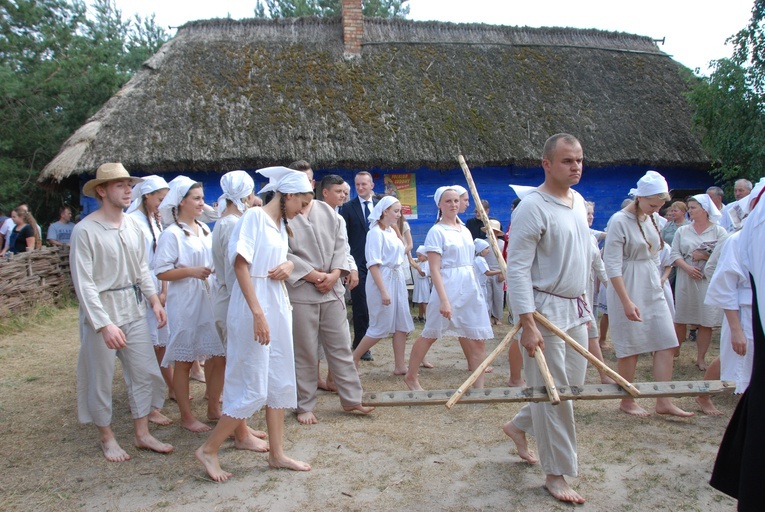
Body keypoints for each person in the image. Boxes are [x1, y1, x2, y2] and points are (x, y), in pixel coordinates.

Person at [196, 166, 313, 482]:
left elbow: (278, 259)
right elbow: (240, 265)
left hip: (276, 302)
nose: (303, 211)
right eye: (301, 204)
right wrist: (257, 314)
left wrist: (288, 264)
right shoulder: (254, 217)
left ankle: (277, 454)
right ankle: (209, 449)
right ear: (287, 195)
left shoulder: (277, 223)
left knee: (278, 379)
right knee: (252, 384)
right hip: (253, 306)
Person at [501, 133, 590, 504]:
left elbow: (587, 249)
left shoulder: (578, 200)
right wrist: (528, 323)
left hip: (575, 308)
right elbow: (517, 270)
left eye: (580, 160)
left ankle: (517, 425)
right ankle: (555, 474)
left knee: (572, 386)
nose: (575, 167)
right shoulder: (531, 207)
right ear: (547, 164)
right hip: (544, 311)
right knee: (556, 397)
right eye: (567, 161)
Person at [69, 162, 172, 462]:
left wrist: (153, 300)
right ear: (101, 191)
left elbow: (141, 268)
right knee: (99, 377)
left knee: (145, 372)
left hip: (134, 308)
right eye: (120, 185)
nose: (128, 190)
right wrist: (103, 324)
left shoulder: (132, 226)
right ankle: (107, 437)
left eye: (129, 184)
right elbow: (84, 284)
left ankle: (142, 433)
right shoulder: (85, 231)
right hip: (102, 312)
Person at [286, 166, 373, 425]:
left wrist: (335, 274)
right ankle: (304, 404)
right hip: (302, 290)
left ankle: (351, 398)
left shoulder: (330, 213)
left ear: (312, 183)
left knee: (341, 347)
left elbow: (341, 246)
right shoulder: (283, 217)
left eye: (307, 180)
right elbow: (282, 253)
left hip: (332, 289)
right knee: (305, 351)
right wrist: (312, 275)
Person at [603, 171, 693, 417]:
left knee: (666, 340)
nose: (658, 208)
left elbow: (656, 254)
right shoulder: (619, 220)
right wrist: (626, 301)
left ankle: (663, 400)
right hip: (627, 283)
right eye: (653, 203)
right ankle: (627, 400)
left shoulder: (652, 218)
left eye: (661, 204)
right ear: (640, 197)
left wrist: (659, 281)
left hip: (651, 282)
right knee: (631, 344)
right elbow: (611, 264)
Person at [709, 179, 765, 510]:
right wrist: (737, 327)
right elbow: (724, 286)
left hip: (753, 313)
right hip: (747, 317)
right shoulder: (739, 239)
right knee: (741, 373)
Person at [403, 187, 493, 390]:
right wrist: (444, 299)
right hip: (449, 285)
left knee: (477, 338)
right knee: (431, 334)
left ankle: (478, 388)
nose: (453, 204)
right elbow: (434, 269)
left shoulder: (466, 230)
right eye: (448, 201)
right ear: (439, 205)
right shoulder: (437, 232)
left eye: (456, 201)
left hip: (469, 285)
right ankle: (411, 375)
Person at [155, 176, 226, 432]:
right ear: (181, 201)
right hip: (184, 300)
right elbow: (161, 272)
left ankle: (213, 407)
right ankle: (186, 415)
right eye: (196, 198)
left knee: (218, 355)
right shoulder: (172, 234)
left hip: (208, 298)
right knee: (185, 361)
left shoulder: (205, 229)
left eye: (201, 198)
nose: (201, 203)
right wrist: (191, 271)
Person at [210, 170, 270, 449]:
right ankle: (240, 434)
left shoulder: (226, 221)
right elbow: (238, 270)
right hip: (234, 299)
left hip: (230, 296)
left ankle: (241, 425)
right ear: (246, 195)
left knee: (240, 364)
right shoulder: (234, 224)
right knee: (240, 366)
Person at [126, 176, 174, 426]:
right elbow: (138, 263)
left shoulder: (157, 221)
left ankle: (167, 389)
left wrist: (164, 290)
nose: (162, 204)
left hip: (158, 289)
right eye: (159, 199)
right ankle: (150, 404)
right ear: (147, 196)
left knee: (161, 344)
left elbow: (162, 259)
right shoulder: (132, 222)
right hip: (142, 291)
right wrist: (152, 294)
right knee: (146, 347)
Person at [352, 196, 414, 375]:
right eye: (395, 211)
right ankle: (354, 358)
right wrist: (383, 291)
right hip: (383, 280)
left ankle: (400, 366)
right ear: (384, 211)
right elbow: (372, 264)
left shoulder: (390, 231)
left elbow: (402, 249)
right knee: (380, 326)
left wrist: (395, 228)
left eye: (400, 211)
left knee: (401, 324)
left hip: (397, 278)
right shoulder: (375, 233)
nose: (399, 215)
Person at [670, 194, 728, 370]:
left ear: (705, 209)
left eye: (694, 207)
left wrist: (704, 256)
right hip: (686, 279)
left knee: (705, 320)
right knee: (680, 318)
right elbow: (674, 254)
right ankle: (675, 351)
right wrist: (687, 267)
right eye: (689, 207)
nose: (690, 211)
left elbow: (724, 254)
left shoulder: (719, 231)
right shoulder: (683, 231)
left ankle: (701, 358)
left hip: (707, 281)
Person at [340, 172, 378, 360]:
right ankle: (361, 345)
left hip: (379, 262)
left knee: (379, 302)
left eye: (364, 184)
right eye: (357, 185)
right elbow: (343, 238)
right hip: (358, 263)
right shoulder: (347, 208)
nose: (361, 188)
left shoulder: (381, 206)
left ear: (372, 185)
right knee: (361, 305)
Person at [584, 201, 613, 385]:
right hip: (565, 294)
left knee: (591, 333)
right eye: (587, 213)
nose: (591, 216)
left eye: (592, 214)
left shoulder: (591, 237)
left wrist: (610, 286)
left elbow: (599, 265)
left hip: (585, 293)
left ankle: (604, 374)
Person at [481, 219, 506, 325]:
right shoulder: (484, 244)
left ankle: (497, 316)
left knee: (498, 295)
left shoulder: (502, 244)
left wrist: (503, 272)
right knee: (488, 295)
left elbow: (506, 258)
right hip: (487, 271)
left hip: (499, 271)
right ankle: (488, 316)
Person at [411, 245, 431, 323]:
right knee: (420, 301)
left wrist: (417, 267)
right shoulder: (422, 263)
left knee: (424, 301)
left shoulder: (426, 263)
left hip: (423, 284)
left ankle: (428, 318)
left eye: (420, 256)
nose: (418, 257)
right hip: (419, 284)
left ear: (425, 256)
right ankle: (420, 316)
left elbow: (423, 274)